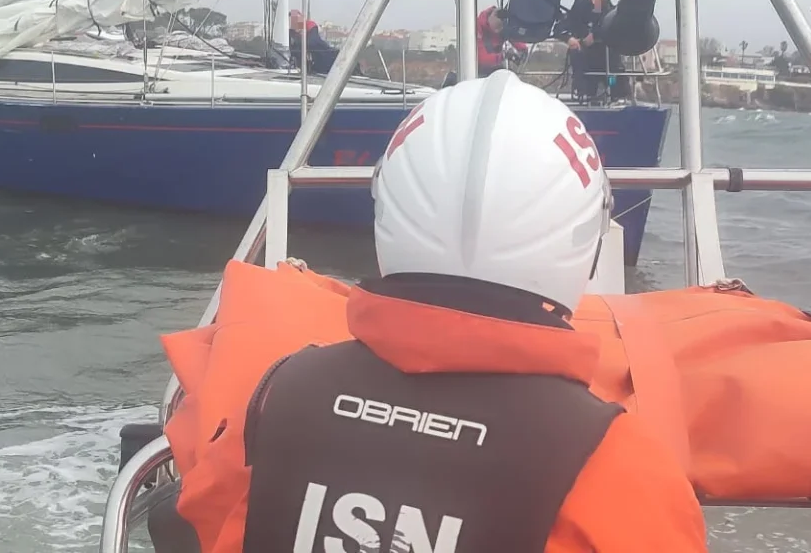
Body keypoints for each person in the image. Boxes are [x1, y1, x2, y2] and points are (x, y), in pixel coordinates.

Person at [207, 70, 705, 553]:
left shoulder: (279, 398)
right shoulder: (620, 467)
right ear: (588, 238)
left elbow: (211, 519)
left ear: (385, 209)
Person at [560, 0, 627, 102]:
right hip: (586, 63)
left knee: (613, 80)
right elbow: (560, 28)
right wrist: (569, 38)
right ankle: (582, 93)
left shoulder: (612, 15)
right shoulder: (578, 14)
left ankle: (616, 95)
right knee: (586, 85)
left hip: (610, 64)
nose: (594, 1)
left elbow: (617, 27)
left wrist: (596, 35)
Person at [286, 9, 337, 75]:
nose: (296, 23)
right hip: (314, 67)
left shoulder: (310, 25)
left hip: (328, 58)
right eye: (293, 21)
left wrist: (299, 36)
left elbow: (312, 42)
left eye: (298, 19)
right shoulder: (292, 34)